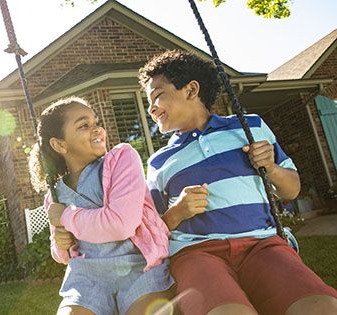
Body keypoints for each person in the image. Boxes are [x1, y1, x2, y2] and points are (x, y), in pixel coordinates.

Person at [139, 49, 337, 315]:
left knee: (322, 307)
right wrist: (178, 211)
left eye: (157, 96)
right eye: (148, 102)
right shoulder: (159, 162)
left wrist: (270, 167)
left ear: (191, 90)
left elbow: (292, 188)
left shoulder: (250, 127)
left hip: (263, 245)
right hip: (197, 254)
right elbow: (154, 232)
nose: (151, 108)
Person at [28, 96, 175, 315]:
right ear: (60, 144)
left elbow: (121, 224)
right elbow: (62, 255)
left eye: (96, 123)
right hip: (87, 279)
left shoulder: (121, 160)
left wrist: (67, 217)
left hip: (139, 268)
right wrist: (59, 243)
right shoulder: (55, 195)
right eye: (84, 126)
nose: (97, 129)